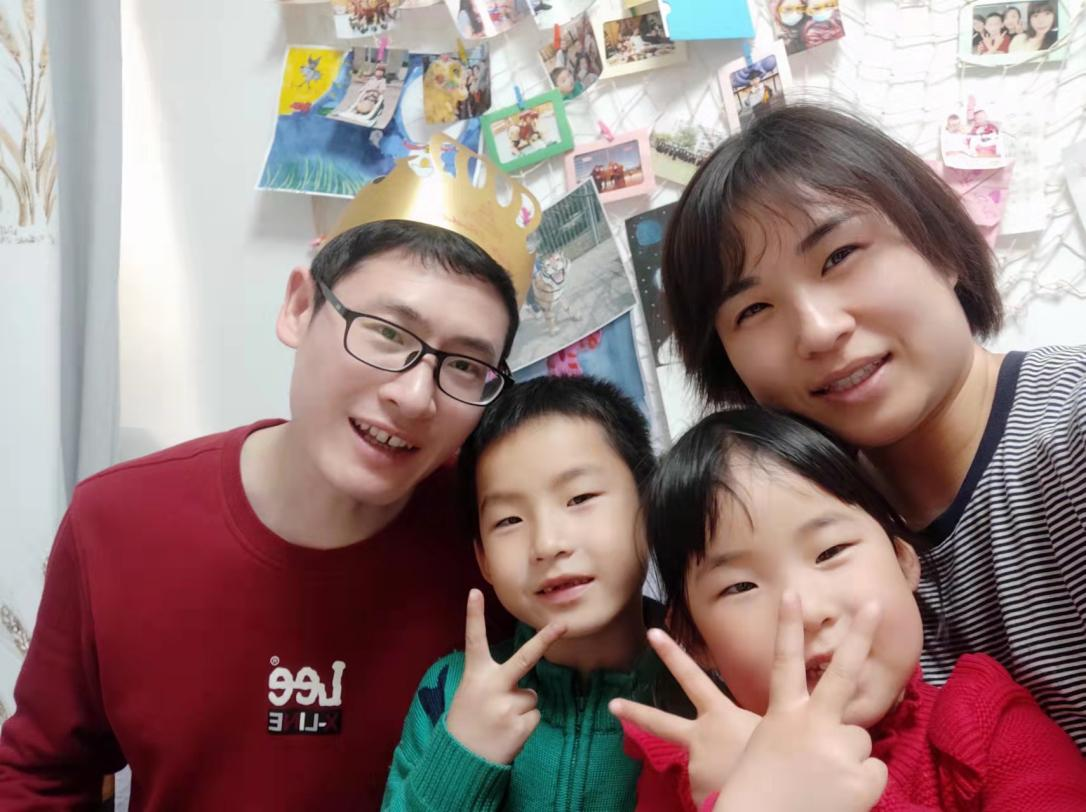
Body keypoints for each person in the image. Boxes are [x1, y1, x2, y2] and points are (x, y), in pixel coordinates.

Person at [0, 145, 534, 808]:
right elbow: (41, 775)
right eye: (388, 333)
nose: (415, 396)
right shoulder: (117, 523)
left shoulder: (498, 541)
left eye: (465, 367)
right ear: (300, 306)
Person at [659, 104, 1086, 749]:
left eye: (840, 256)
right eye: (754, 309)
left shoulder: (1069, 437)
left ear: (942, 245)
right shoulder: (800, 537)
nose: (818, 329)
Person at [612, 409, 1086, 810]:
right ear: (694, 641)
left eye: (830, 551)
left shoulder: (986, 724)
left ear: (903, 562)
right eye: (741, 586)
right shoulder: (686, 768)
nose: (806, 611)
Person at [381, 375, 662, 809]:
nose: (547, 544)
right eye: (509, 520)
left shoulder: (714, 680)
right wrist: (463, 755)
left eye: (580, 498)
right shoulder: (451, 690)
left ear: (651, 504)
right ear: (482, 558)